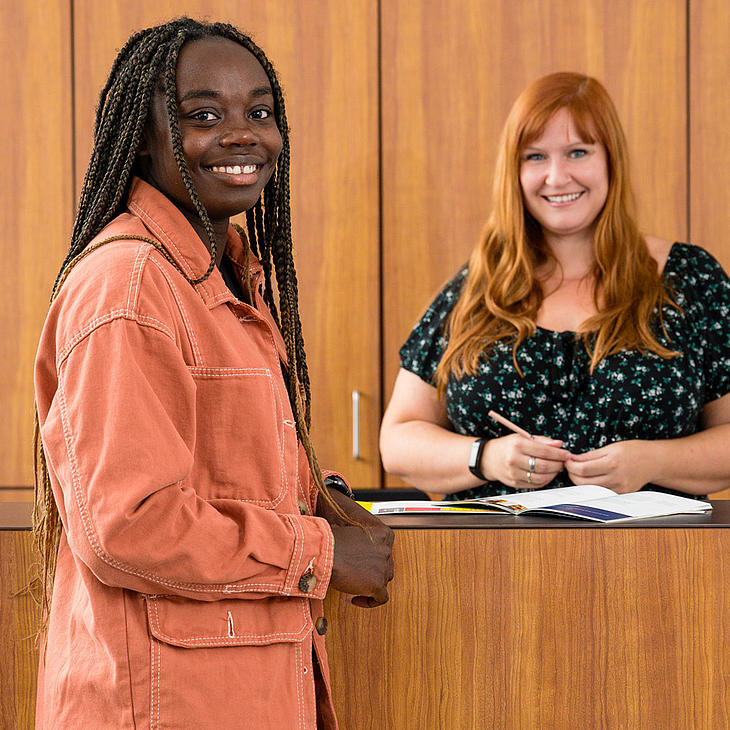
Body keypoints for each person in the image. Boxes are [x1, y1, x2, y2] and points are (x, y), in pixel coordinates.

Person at [33, 18, 393, 729]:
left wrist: (313, 500)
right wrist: (317, 552)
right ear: (143, 134)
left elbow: (212, 470)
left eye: (259, 112)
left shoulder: (221, 275)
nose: (242, 134)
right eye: (204, 115)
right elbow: (127, 525)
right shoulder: (129, 284)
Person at [380, 72, 730, 500]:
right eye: (535, 157)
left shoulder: (689, 279)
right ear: (516, 171)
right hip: (493, 563)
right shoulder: (477, 288)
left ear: (611, 161)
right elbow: (397, 442)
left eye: (578, 152)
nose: (557, 177)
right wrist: (485, 457)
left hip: (651, 561)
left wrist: (651, 462)